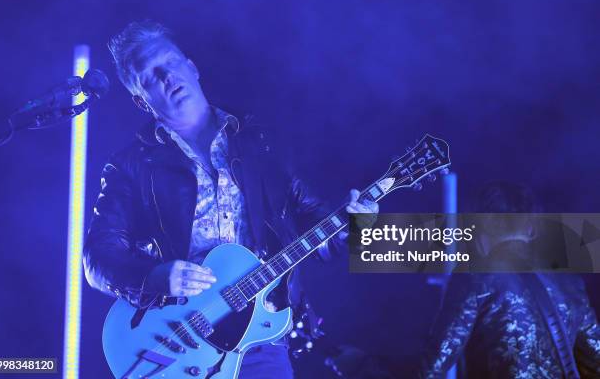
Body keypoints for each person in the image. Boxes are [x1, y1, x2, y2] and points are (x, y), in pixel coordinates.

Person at [82, 20, 378, 378]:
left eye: (171, 63)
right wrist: (154, 278)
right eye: (149, 76)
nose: (167, 77)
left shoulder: (260, 143)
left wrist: (353, 227)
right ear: (141, 100)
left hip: (260, 335)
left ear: (191, 66)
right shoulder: (130, 165)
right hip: (175, 341)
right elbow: (98, 258)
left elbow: (316, 228)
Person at [419, 182, 600, 378]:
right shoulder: (568, 282)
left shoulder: (475, 279)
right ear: (532, 229)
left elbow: (434, 364)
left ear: (483, 225)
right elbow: (596, 357)